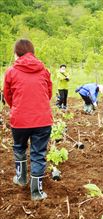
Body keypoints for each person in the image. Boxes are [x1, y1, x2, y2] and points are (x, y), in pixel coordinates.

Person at [3, 39, 52, 201]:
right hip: (43, 120)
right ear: (32, 52)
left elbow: (8, 96)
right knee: (38, 154)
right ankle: (36, 192)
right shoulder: (43, 70)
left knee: (19, 147)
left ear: (16, 53)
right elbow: (49, 94)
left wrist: (18, 108)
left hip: (20, 120)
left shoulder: (11, 72)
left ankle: (21, 178)